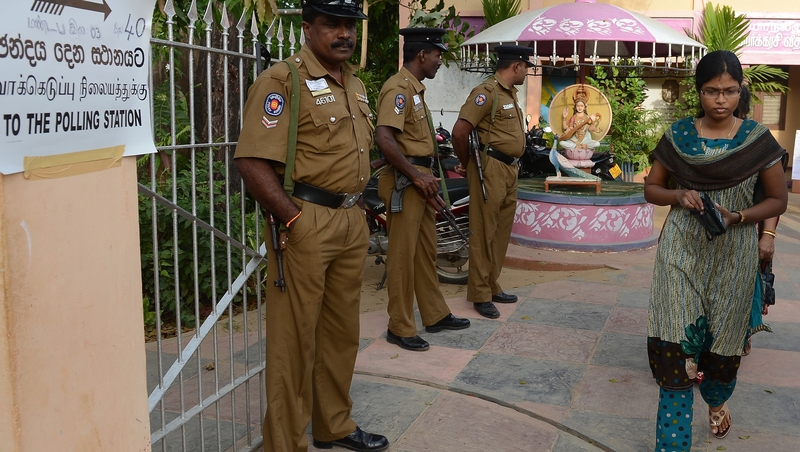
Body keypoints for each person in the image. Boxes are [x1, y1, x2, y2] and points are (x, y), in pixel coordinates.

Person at [233, 0, 388, 450]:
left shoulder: (354, 84)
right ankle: (285, 443)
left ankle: (333, 425)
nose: (344, 34)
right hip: (306, 221)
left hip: (350, 219)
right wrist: (294, 218)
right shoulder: (282, 80)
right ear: (307, 27)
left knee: (341, 334)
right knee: (294, 342)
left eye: (349, 26)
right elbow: (250, 159)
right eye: (332, 25)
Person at [645, 50, 787, 449]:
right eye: (711, 91)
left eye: (728, 91)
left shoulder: (757, 140)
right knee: (675, 345)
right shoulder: (678, 136)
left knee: (721, 351)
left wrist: (738, 218)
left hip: (733, 252)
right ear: (699, 92)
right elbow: (651, 189)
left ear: (740, 90)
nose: (720, 100)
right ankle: (672, 445)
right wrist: (678, 194)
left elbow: (777, 200)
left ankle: (716, 399)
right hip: (680, 250)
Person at [375, 27, 471, 352]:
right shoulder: (398, 90)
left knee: (425, 252)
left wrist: (426, 178)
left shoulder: (415, 91)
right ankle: (399, 326)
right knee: (402, 256)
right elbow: (384, 138)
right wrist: (416, 178)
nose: (440, 61)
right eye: (437, 54)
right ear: (421, 55)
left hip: (421, 180)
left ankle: (435, 314)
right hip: (407, 181)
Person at [451, 45, 533, 319]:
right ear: (516, 66)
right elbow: (460, 132)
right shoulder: (486, 93)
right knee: (483, 231)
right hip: (491, 168)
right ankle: (479, 293)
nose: (527, 71)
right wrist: (467, 164)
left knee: (500, 232)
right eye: (526, 66)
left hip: (510, 169)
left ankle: (491, 283)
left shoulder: (509, 94)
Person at [735, 84, 781, 356]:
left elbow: (773, 197)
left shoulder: (756, 139)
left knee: (746, 288)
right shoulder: (698, 134)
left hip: (747, 231)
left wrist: (768, 235)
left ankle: (742, 335)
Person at [559, 85, 602, 151]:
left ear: (585, 107)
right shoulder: (573, 117)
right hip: (574, 140)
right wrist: (564, 118)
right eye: (578, 106)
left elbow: (590, 129)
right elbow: (565, 128)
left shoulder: (588, 117)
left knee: (597, 144)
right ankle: (579, 146)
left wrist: (593, 122)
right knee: (562, 143)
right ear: (575, 107)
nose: (579, 108)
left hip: (585, 139)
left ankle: (579, 146)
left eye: (581, 106)